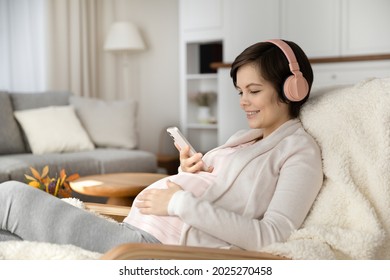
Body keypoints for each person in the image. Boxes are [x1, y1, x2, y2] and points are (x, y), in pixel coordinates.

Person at [0, 39, 323, 254]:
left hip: (154, 249)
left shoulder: (298, 152)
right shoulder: (247, 139)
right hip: (139, 231)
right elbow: (220, 191)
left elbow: (271, 237)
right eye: (240, 91)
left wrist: (179, 202)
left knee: (11, 196)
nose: (243, 102)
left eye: (253, 90)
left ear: (292, 88)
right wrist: (188, 171)